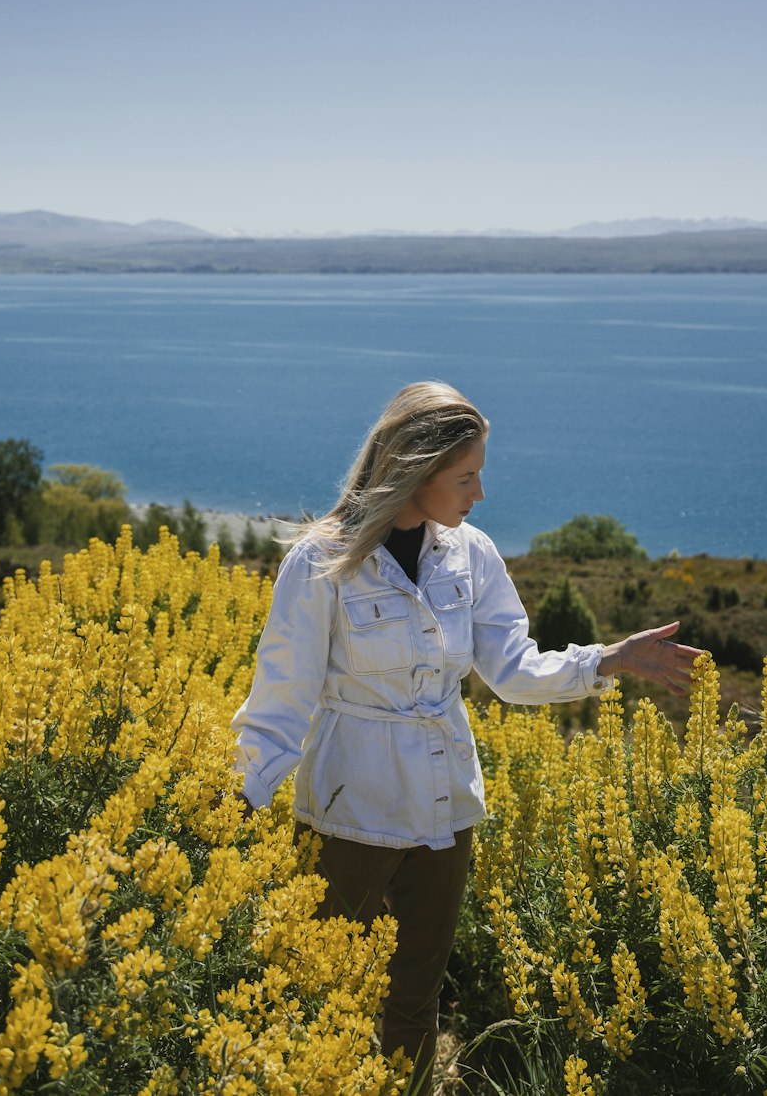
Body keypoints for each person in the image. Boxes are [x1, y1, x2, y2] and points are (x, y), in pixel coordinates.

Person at [231, 382, 701, 1094]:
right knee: (324, 997)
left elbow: (512, 669)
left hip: (445, 818)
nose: (479, 493)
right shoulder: (323, 561)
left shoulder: (471, 554)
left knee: (414, 1004)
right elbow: (282, 701)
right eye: (466, 476)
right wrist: (237, 799)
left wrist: (610, 659)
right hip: (347, 815)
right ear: (416, 471)